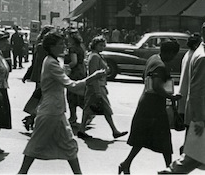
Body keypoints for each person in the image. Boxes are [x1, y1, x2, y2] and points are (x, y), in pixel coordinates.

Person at [18, 32, 106, 174]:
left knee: (69, 145)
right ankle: (22, 173)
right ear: (52, 47)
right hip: (51, 111)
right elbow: (72, 86)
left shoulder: (52, 61)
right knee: (36, 145)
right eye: (60, 44)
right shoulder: (51, 63)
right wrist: (93, 77)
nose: (64, 46)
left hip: (56, 110)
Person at [119, 40, 181, 174]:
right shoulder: (160, 66)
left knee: (142, 138)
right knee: (164, 140)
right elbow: (157, 86)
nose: (173, 58)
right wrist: (172, 97)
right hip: (154, 108)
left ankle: (126, 163)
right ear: (169, 53)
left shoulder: (153, 58)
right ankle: (169, 169)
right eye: (173, 55)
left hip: (147, 104)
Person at [159, 25, 205, 174]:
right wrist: (199, 119)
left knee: (195, 155)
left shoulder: (199, 52)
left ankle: (171, 171)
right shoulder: (203, 57)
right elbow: (197, 91)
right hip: (202, 116)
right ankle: (171, 172)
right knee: (193, 156)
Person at [77, 35, 127, 139]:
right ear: (95, 45)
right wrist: (97, 91)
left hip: (98, 86)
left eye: (104, 45)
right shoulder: (95, 56)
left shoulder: (96, 55)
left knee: (90, 109)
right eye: (100, 45)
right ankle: (114, 130)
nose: (102, 47)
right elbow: (93, 74)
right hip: (96, 86)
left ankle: (82, 129)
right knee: (103, 109)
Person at [22, 25, 55, 131]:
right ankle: (32, 118)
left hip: (42, 77)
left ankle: (33, 119)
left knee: (42, 100)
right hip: (43, 78)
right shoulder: (43, 47)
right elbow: (40, 64)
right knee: (43, 100)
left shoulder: (41, 46)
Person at [65, 31, 87, 126]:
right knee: (80, 94)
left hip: (75, 73)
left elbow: (74, 62)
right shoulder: (81, 48)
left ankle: (73, 116)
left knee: (71, 95)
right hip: (82, 71)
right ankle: (87, 113)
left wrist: (65, 67)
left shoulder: (72, 49)